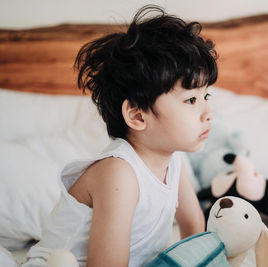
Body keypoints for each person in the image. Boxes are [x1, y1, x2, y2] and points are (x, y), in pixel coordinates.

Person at [22, 5, 218, 267]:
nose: (208, 113)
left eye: (206, 96)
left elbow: (194, 230)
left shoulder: (174, 161)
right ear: (137, 116)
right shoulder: (119, 172)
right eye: (191, 99)